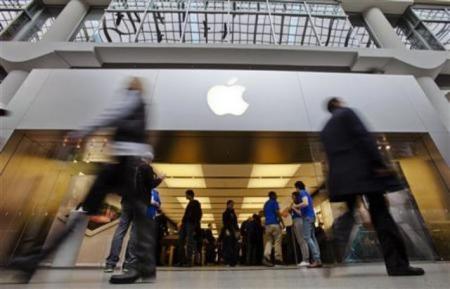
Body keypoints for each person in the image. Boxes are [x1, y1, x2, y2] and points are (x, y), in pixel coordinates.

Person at [10, 77, 163, 284]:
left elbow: (112, 115)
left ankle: (35, 259)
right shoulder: (142, 106)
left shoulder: (132, 97)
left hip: (124, 163)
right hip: (126, 163)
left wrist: (81, 132)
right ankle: (145, 268)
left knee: (90, 211)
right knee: (137, 215)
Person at [319, 97, 424, 276]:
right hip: (365, 173)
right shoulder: (348, 113)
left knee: (350, 212)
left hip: (343, 180)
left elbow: (328, 159)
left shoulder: (326, 129)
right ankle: (397, 265)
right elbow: (364, 138)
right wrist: (379, 164)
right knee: (382, 216)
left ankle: (337, 237)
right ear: (337, 103)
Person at [104, 153, 159, 273]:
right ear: (149, 159)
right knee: (134, 233)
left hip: (126, 202)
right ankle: (129, 264)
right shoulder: (146, 168)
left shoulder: (129, 168)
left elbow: (120, 186)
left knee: (120, 231)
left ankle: (110, 263)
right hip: (140, 203)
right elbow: (151, 185)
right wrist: (160, 178)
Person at [292, 181, 322, 268]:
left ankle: (316, 259)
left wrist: (296, 206)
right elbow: (302, 212)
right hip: (311, 216)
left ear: (297, 187)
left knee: (307, 237)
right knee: (312, 237)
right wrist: (295, 208)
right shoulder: (307, 194)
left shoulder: (302, 192)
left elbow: (305, 203)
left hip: (307, 218)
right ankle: (318, 259)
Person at [176, 189, 202, 267]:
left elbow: (199, 214)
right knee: (181, 241)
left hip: (190, 224)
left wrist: (195, 225)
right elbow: (186, 215)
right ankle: (182, 260)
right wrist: (182, 222)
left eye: (186, 194)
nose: (185, 196)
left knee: (189, 242)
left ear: (189, 195)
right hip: (185, 224)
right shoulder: (190, 203)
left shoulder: (195, 203)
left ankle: (188, 261)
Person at [262, 191, 284, 267]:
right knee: (277, 241)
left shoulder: (266, 204)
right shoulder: (274, 202)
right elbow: (277, 212)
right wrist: (282, 222)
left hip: (267, 225)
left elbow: (264, 213)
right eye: (276, 195)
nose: (277, 196)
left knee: (269, 241)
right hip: (275, 224)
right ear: (273, 196)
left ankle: (266, 256)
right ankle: (278, 259)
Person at [289, 191, 310, 267]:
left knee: (302, 241)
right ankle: (304, 259)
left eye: (293, 196)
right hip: (295, 221)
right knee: (300, 241)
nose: (292, 198)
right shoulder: (294, 203)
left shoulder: (300, 203)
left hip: (299, 220)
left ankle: (306, 259)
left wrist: (294, 208)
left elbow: (301, 214)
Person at [222, 200, 239, 266]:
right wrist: (226, 230)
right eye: (231, 205)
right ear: (228, 205)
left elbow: (236, 223)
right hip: (228, 231)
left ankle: (233, 261)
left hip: (234, 231)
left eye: (233, 205)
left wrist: (237, 231)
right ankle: (228, 261)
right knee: (228, 246)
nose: (232, 206)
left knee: (234, 246)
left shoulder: (233, 213)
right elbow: (225, 223)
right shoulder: (225, 213)